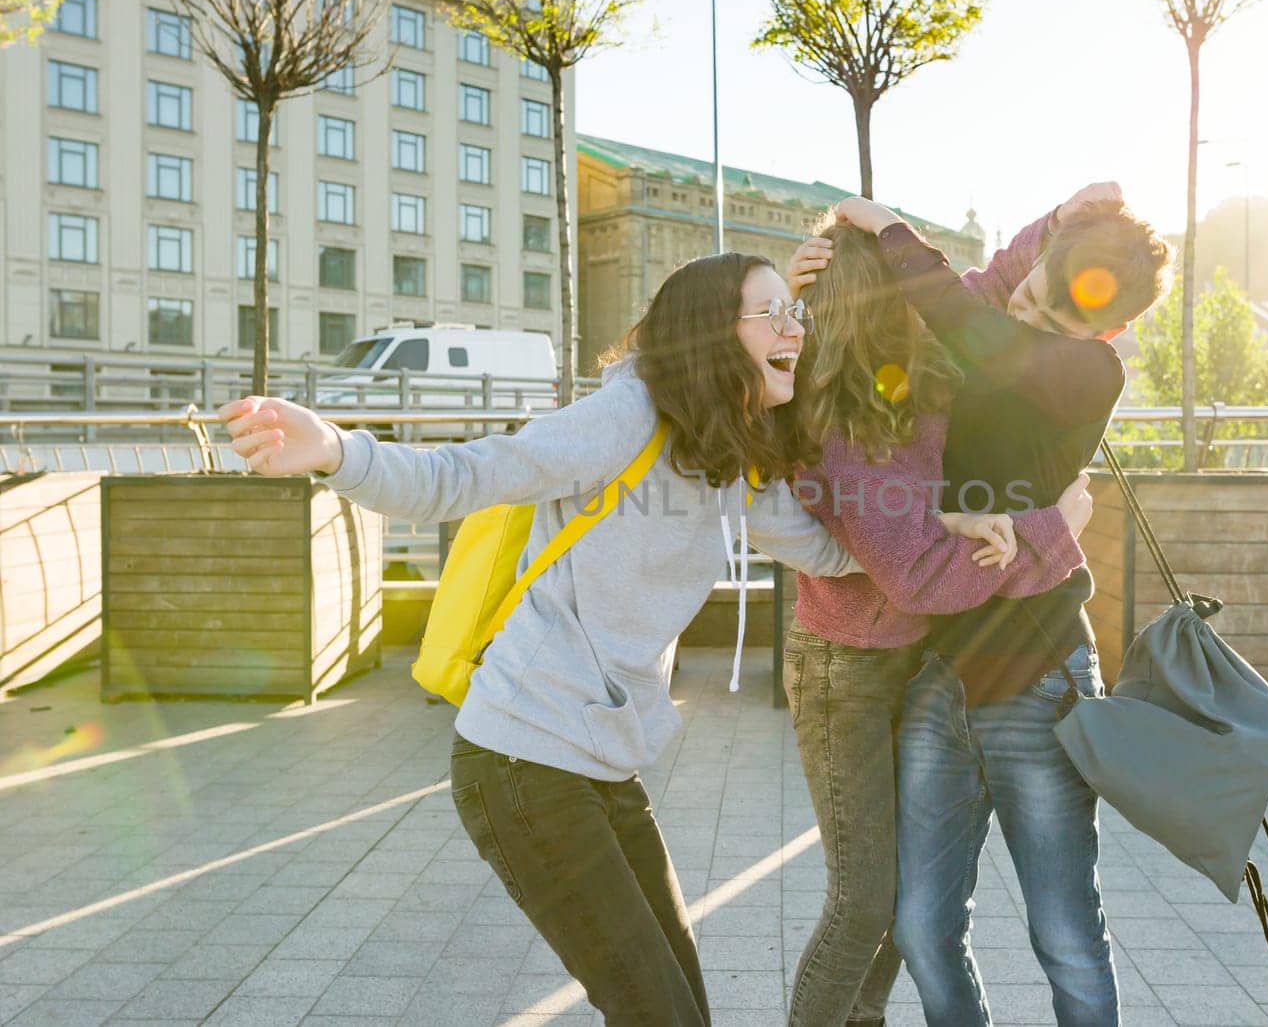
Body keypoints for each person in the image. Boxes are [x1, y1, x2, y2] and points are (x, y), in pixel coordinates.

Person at [218, 253, 885, 1027]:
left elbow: (827, 550)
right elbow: (465, 474)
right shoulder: (626, 416)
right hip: (524, 758)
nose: (793, 330)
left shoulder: (729, 452)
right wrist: (337, 449)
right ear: (711, 333)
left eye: (792, 313)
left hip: (604, 764)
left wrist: (951, 549)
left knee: (680, 1016)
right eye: (770, 313)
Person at [793, 188, 1173, 1025]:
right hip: (943, 676)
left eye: (1053, 319)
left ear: (1102, 336)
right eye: (1032, 295)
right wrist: (1061, 217)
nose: (1027, 317)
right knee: (921, 927)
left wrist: (884, 225)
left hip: (1039, 677)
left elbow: (967, 311)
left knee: (1065, 932)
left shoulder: (1082, 370)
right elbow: (989, 287)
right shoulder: (996, 335)